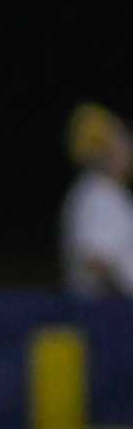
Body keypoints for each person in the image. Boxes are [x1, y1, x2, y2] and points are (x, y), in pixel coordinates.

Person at [61, 102, 133, 296]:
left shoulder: (109, 191)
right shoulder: (96, 194)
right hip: (109, 313)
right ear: (104, 148)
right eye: (122, 140)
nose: (128, 147)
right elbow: (94, 260)